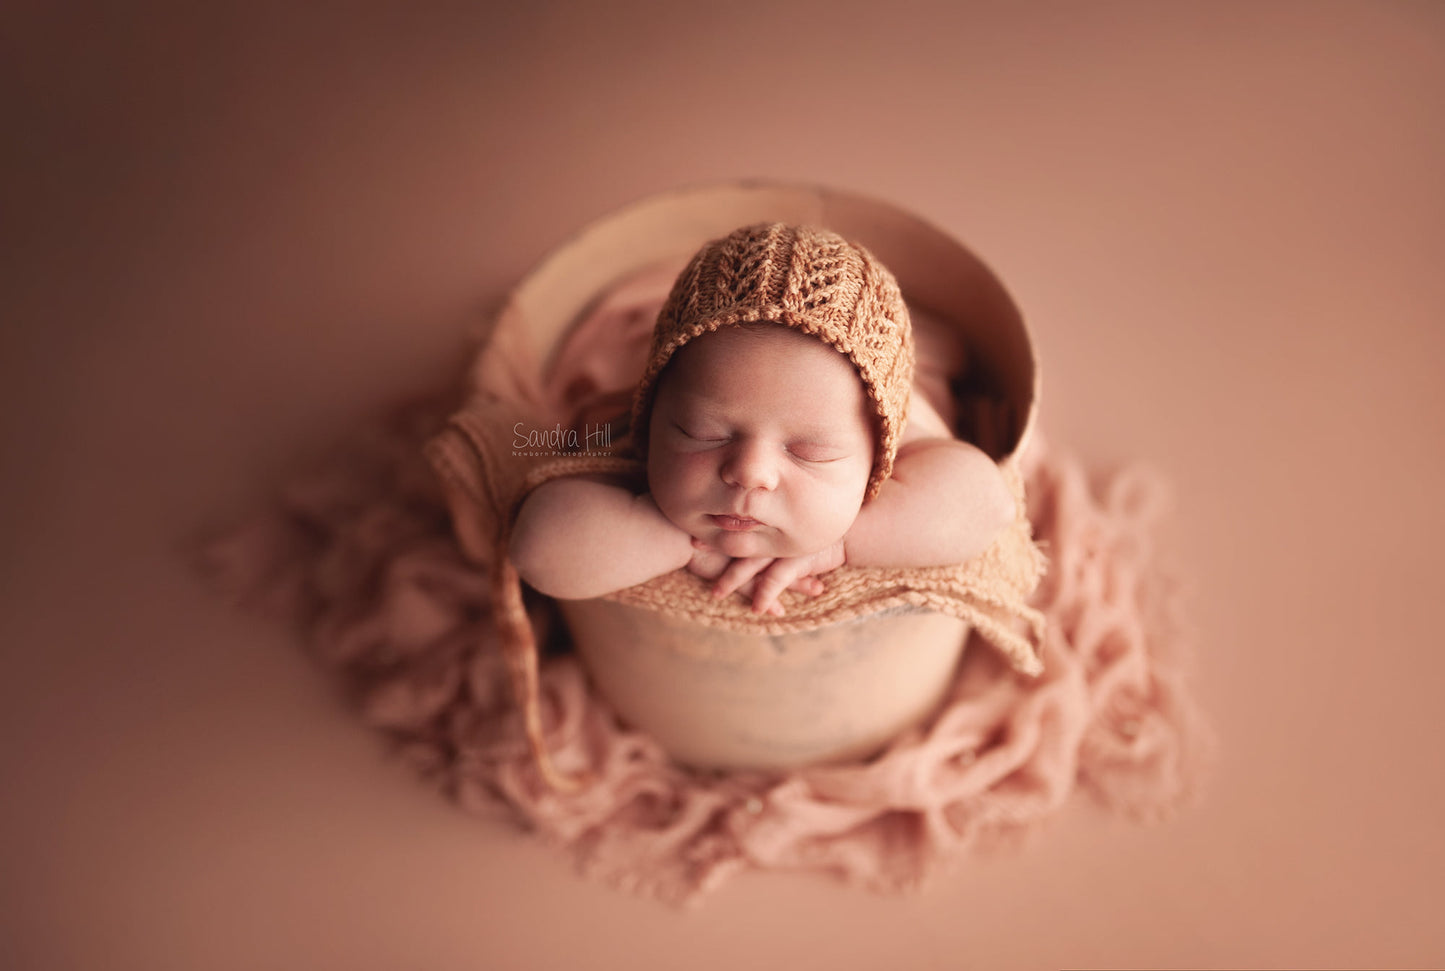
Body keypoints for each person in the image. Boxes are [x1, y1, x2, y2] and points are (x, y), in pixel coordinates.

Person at [509, 222, 1015, 617]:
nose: (749, 473)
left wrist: (842, 543)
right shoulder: (630, 429)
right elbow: (538, 547)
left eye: (808, 451)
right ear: (654, 415)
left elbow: (987, 505)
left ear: (878, 453)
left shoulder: (892, 432)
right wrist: (670, 537)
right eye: (701, 433)